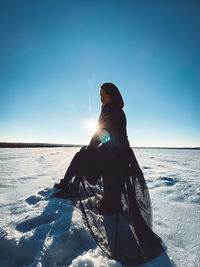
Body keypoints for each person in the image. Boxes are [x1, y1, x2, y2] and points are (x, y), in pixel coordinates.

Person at [54, 83, 164, 265]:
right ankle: (69, 185)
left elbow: (105, 135)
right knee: (81, 156)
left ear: (112, 94)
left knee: (109, 206)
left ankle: (70, 185)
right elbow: (99, 134)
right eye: (100, 93)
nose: (100, 96)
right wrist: (91, 149)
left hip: (116, 157)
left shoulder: (114, 111)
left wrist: (93, 149)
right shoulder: (108, 110)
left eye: (103, 93)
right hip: (109, 153)